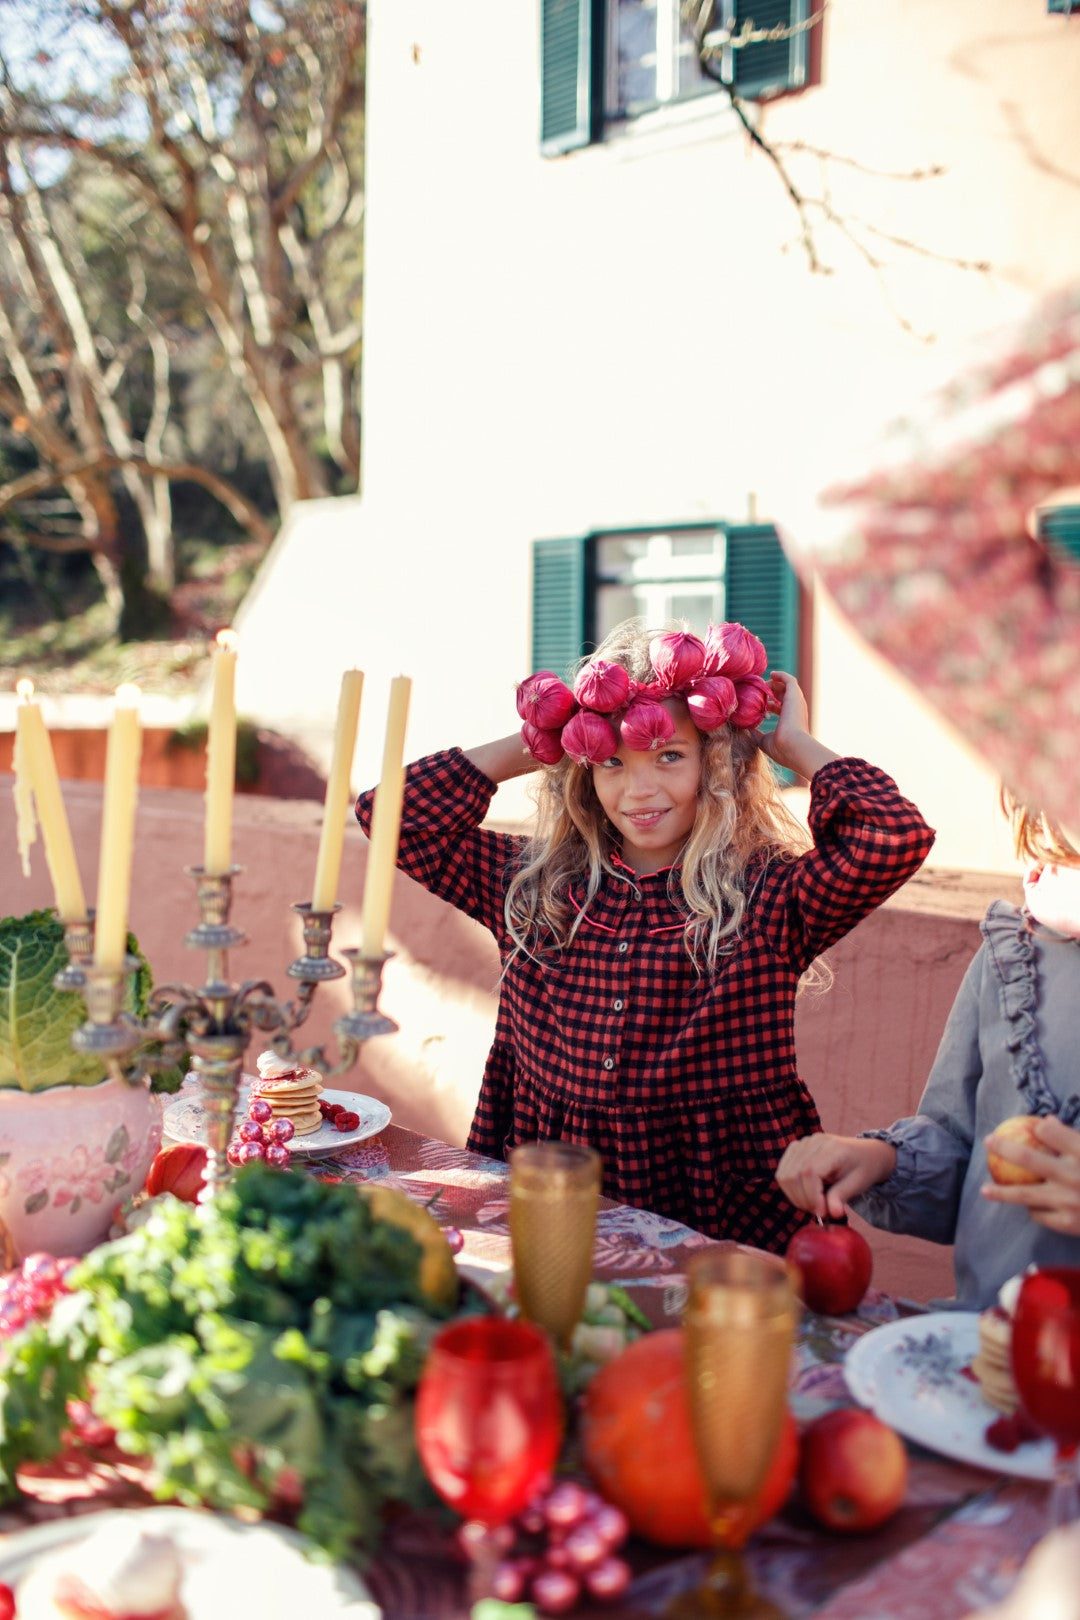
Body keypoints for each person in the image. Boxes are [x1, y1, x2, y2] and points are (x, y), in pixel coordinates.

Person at [356, 617, 935, 1250]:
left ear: (718, 765)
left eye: (670, 756)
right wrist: (539, 740)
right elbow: (389, 817)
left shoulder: (770, 897)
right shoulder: (528, 888)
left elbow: (891, 835)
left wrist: (792, 744)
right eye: (610, 763)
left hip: (721, 1208)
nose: (640, 790)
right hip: (555, 1193)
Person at [776, 793, 1080, 1307]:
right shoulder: (1015, 955)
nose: (1033, 880)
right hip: (985, 1342)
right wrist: (879, 1160)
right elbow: (966, 1152)